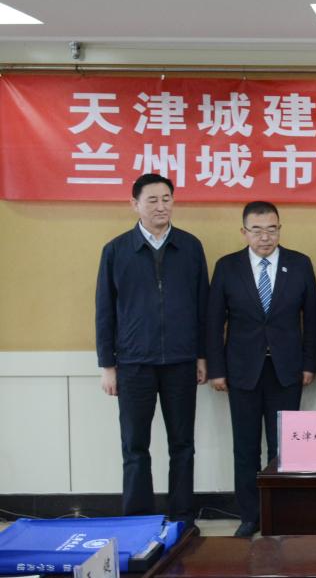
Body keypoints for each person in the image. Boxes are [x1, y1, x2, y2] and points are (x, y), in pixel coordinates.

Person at [95, 173, 208, 530]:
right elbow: (104, 311)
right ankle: (138, 522)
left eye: (166, 199)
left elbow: (202, 307)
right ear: (135, 204)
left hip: (181, 361)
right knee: (135, 447)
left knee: (183, 445)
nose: (161, 206)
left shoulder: (190, 247)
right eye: (152, 200)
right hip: (133, 364)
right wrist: (107, 365)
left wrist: (201, 355)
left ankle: (183, 518)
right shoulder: (116, 250)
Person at [206, 201, 316, 538]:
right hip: (242, 370)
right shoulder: (228, 266)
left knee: (284, 448)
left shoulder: (299, 264)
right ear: (244, 232)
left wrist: (309, 364)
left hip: (287, 369)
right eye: (257, 230)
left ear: (280, 229)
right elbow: (213, 322)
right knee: (245, 447)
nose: (265, 237)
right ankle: (250, 515)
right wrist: (216, 369)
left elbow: (312, 319)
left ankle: (282, 513)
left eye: (272, 229)